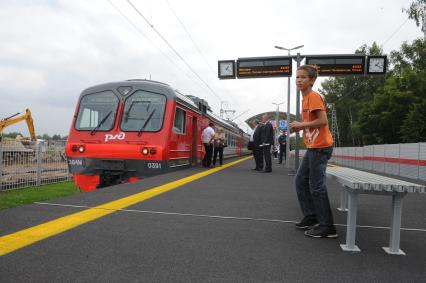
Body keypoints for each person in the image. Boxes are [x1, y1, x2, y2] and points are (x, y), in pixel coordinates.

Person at [289, 65, 337, 239]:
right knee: (301, 180)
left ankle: (327, 226)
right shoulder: (305, 99)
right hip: (313, 147)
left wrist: (301, 125)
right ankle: (311, 216)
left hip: (321, 147)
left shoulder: (313, 96)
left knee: (316, 186)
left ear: (312, 80)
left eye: (303, 77)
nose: (299, 80)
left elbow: (323, 121)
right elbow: (313, 124)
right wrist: (300, 129)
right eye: (297, 77)